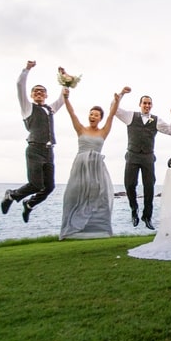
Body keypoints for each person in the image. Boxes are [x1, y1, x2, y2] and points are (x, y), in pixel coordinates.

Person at [1, 60, 67, 223]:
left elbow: (64, 97)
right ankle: (11, 195)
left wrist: (63, 78)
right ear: (31, 95)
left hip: (49, 151)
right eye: (36, 91)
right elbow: (19, 85)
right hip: (34, 150)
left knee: (49, 187)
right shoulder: (27, 107)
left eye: (42, 91)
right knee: (36, 184)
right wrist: (27, 69)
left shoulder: (50, 109)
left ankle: (29, 204)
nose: (39, 93)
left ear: (46, 95)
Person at [59, 87, 124, 240]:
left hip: (96, 169)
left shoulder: (103, 132)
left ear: (100, 118)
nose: (93, 116)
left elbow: (112, 115)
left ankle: (97, 229)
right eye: (91, 114)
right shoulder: (81, 129)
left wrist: (118, 99)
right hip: (80, 168)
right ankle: (71, 228)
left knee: (99, 197)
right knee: (73, 195)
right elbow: (72, 113)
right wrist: (66, 98)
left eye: (96, 115)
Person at [115, 91, 171, 230]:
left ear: (152, 106)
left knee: (149, 187)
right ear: (140, 104)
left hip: (148, 157)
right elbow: (115, 110)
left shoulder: (156, 120)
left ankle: (147, 216)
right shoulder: (130, 116)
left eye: (149, 103)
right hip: (132, 156)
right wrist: (120, 95)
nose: (147, 105)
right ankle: (134, 210)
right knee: (129, 185)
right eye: (144, 103)